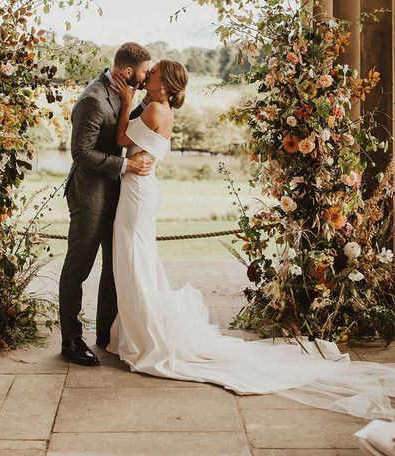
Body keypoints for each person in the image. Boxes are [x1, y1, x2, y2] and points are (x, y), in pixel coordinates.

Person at [107, 58, 395, 421]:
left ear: (163, 83)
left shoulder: (152, 108)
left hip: (136, 190)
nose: (146, 74)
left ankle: (144, 335)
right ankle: (135, 327)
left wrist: (122, 101)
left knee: (134, 257)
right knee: (138, 258)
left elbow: (121, 140)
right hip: (142, 188)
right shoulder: (159, 106)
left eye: (153, 72)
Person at [59, 42, 153, 366]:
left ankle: (105, 334)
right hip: (88, 194)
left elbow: (121, 130)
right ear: (128, 72)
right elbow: (81, 153)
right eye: (143, 74)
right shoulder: (92, 100)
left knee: (115, 265)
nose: (145, 77)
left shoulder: (124, 92)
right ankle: (70, 339)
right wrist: (126, 166)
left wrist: (156, 101)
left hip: (114, 193)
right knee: (79, 267)